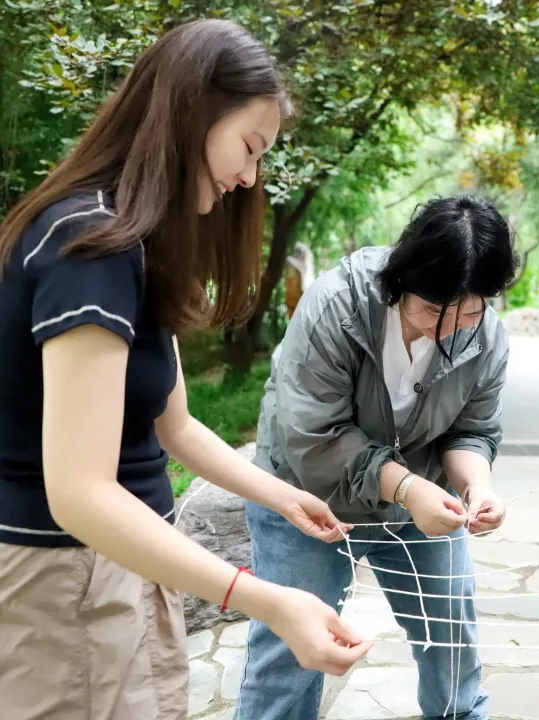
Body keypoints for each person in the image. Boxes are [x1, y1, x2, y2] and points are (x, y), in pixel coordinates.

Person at [0, 19, 371, 720]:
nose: (250, 177)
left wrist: (283, 497)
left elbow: (174, 426)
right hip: (65, 577)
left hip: (132, 561)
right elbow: (78, 493)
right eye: (249, 147)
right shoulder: (90, 246)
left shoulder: (137, 244)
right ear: (193, 111)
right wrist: (264, 599)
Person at [236, 195, 518, 720]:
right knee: (289, 657)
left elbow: (471, 431)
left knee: (451, 642)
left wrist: (476, 488)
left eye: (469, 312)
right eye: (432, 309)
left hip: (420, 503)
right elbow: (314, 435)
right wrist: (408, 489)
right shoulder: (335, 305)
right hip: (306, 499)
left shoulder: (486, 336)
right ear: (400, 279)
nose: (447, 329)